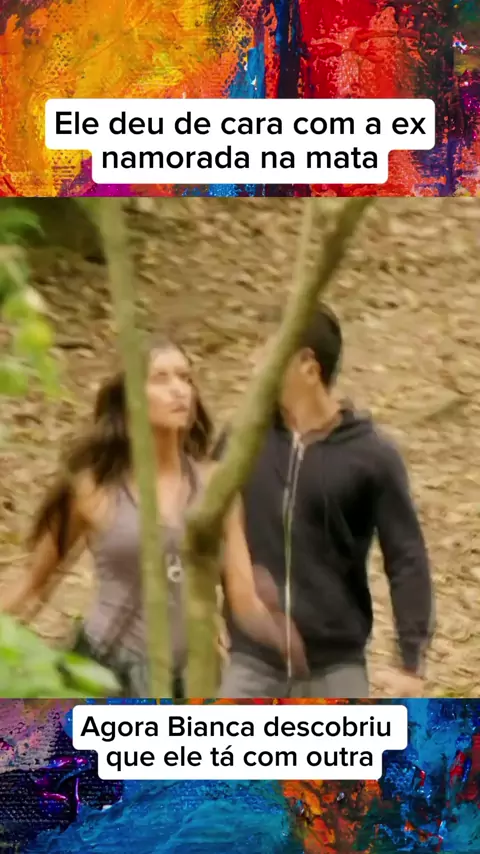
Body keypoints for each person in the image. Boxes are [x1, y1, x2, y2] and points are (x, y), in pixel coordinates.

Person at [3, 338, 307, 698]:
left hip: (191, 677)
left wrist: (283, 640)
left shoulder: (217, 486)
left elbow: (243, 598)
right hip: (107, 671)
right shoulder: (92, 488)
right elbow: (33, 583)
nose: (179, 389)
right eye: (161, 379)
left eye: (185, 378)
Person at [214, 304, 434, 699]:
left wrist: (411, 663)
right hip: (251, 660)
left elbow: (406, 557)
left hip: (336, 664)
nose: (254, 364)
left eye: (268, 353)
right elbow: (205, 528)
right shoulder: (242, 440)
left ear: (309, 368)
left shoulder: (371, 455)